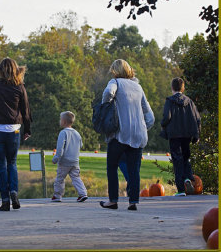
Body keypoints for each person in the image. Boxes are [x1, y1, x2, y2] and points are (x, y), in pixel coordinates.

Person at [100, 59, 154, 211]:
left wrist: (107, 106)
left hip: (121, 133)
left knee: (112, 166)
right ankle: (133, 202)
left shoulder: (115, 82)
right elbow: (150, 116)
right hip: (139, 135)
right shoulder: (138, 87)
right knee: (133, 170)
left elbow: (108, 93)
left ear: (115, 71)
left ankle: (113, 200)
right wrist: (143, 127)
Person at [0, 57, 32, 211]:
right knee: (12, 163)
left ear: (0, 71)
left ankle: (4, 199)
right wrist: (27, 129)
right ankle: (14, 192)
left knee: (1, 166)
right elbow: (26, 111)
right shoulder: (20, 87)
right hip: (14, 130)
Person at [160, 77, 201, 196]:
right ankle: (188, 178)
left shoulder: (169, 101)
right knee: (185, 157)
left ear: (172, 87)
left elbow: (166, 117)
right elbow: (197, 118)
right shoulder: (189, 101)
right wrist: (196, 134)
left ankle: (181, 190)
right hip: (187, 135)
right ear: (183, 88)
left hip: (174, 135)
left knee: (177, 160)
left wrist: (163, 125)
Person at [51, 111, 88, 203]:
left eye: (60, 120)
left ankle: (57, 196)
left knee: (60, 178)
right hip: (75, 161)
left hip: (64, 161)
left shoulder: (63, 133)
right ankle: (83, 193)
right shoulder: (77, 133)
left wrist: (56, 158)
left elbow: (60, 148)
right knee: (76, 177)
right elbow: (81, 145)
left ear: (63, 121)